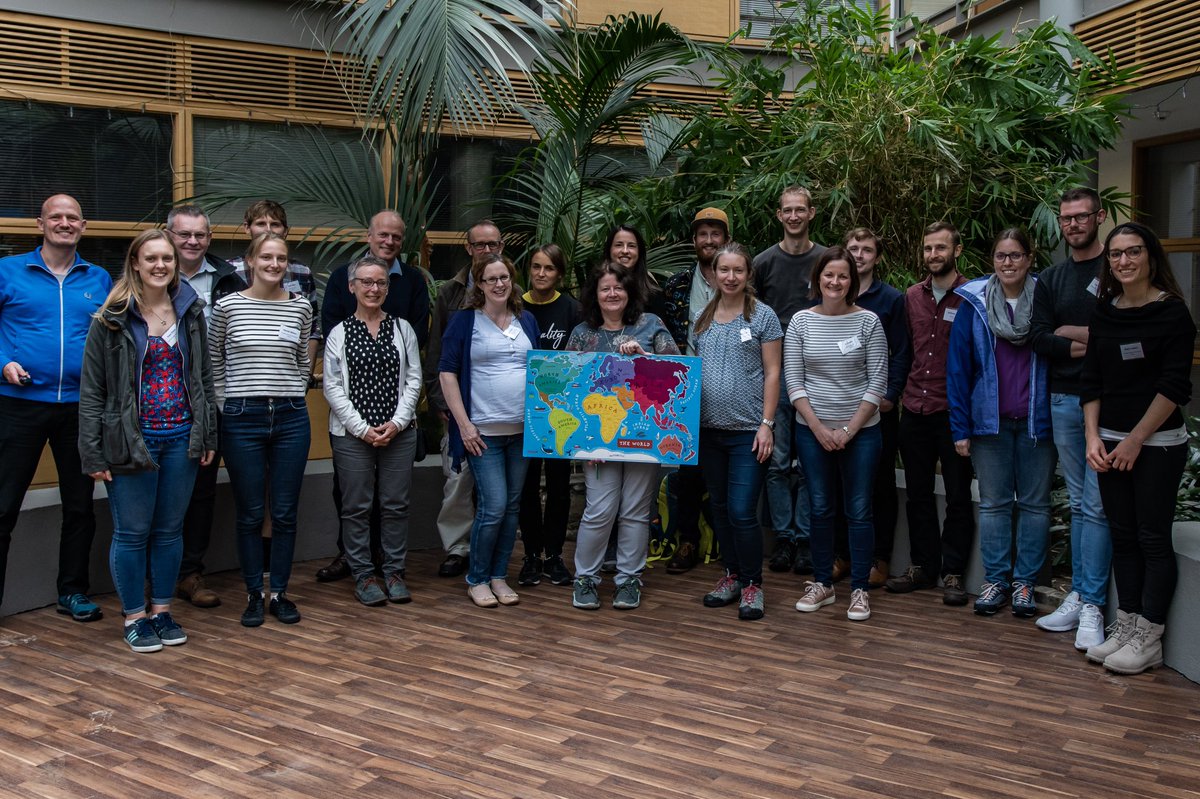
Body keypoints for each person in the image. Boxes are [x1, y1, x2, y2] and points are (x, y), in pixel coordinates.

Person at [78, 230, 217, 652]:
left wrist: (208, 431)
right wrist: (92, 451)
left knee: (170, 532)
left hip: (181, 439)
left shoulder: (190, 311)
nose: (160, 266)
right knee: (133, 532)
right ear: (135, 263)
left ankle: (162, 610)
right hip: (131, 441)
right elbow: (92, 391)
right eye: (151, 258)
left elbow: (204, 380)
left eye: (167, 259)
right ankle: (135, 617)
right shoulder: (112, 317)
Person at [1079, 223, 1195, 675]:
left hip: (1158, 445)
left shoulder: (1173, 314)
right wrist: (1093, 436)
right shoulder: (1105, 312)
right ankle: (1126, 625)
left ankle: (1150, 635)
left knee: (1151, 538)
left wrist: (1135, 439)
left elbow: (1174, 386)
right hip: (1107, 444)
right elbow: (1092, 379)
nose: (1123, 262)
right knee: (1122, 537)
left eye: (1133, 252)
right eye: (1115, 255)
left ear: (1150, 256)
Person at [0, 194, 111, 622]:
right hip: (18, 406)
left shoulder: (98, 278)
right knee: (3, 505)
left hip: (80, 411)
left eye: (72, 218)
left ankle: (72, 592)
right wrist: (3, 362)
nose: (64, 223)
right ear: (40, 224)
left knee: (80, 506)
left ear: (83, 227)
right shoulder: (9, 271)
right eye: (56, 217)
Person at [314, 209, 432, 584]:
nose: (373, 288)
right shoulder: (339, 324)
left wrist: (397, 422)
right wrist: (362, 428)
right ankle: (360, 569)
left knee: (395, 504)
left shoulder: (407, 303)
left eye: (379, 283)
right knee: (355, 504)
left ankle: (393, 571)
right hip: (353, 430)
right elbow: (332, 383)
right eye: (365, 282)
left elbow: (414, 374)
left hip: (398, 425)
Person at [947, 229, 1054, 618]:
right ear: (992, 260)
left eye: (1015, 256)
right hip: (988, 425)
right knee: (993, 505)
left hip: (1035, 423)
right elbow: (958, 369)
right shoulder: (974, 303)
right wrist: (959, 428)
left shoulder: (1046, 299)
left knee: (1035, 506)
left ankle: (1024, 583)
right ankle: (996, 581)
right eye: (1000, 256)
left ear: (1029, 258)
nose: (1007, 263)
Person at [210, 232, 313, 627]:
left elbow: (303, 359)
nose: (274, 264)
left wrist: (291, 390)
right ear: (250, 261)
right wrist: (226, 404)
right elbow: (215, 359)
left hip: (290, 415)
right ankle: (254, 593)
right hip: (242, 417)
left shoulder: (301, 307)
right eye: (266, 257)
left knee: (285, 513)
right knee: (251, 513)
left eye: (281, 258)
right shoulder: (227, 307)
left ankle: (280, 592)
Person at [567, 261, 680, 611]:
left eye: (619, 287)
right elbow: (571, 390)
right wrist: (585, 442)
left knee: (635, 511)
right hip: (597, 444)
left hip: (644, 440)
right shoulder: (582, 334)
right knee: (599, 510)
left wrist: (644, 357)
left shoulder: (651, 325)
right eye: (605, 288)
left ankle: (629, 579)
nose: (612, 293)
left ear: (629, 292)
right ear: (595, 295)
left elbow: (678, 373)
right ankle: (585, 577)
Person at [785, 247, 888, 621]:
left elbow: (877, 381)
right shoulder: (800, 322)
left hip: (861, 433)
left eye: (843, 276)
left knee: (859, 510)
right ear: (818, 278)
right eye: (829, 275)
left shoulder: (869, 322)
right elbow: (794, 383)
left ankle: (859, 589)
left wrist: (846, 430)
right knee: (820, 507)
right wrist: (820, 429)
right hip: (812, 431)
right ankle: (823, 583)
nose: (835, 282)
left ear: (853, 281)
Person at [1029, 187, 1112, 649]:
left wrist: (1076, 334)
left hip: (1108, 402)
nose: (1074, 225)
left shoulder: (1115, 266)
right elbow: (1040, 338)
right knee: (1080, 503)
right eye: (1067, 219)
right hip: (1063, 399)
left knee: (1097, 505)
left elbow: (1120, 334)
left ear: (1098, 217)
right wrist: (1087, 339)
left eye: (1082, 217)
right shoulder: (1053, 279)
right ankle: (1079, 595)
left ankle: (1094, 606)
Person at [439, 253, 539, 608]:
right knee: (493, 506)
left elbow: (541, 372)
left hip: (522, 433)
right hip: (482, 434)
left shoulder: (526, 321)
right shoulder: (465, 322)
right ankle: (477, 578)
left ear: (512, 281)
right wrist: (464, 426)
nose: (499, 284)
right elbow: (447, 373)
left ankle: (499, 576)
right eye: (491, 278)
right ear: (478, 285)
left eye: (504, 277)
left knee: (511, 507)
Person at [887, 222, 976, 606]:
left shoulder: (974, 296)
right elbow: (904, 350)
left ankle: (952, 572)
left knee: (958, 495)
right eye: (928, 249)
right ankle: (922, 566)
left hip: (954, 413)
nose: (933, 255)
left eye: (941, 248)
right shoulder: (911, 297)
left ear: (957, 250)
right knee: (918, 494)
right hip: (916, 408)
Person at [693, 243, 782, 620]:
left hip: (749, 431)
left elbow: (774, 372)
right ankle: (730, 576)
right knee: (720, 508)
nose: (730, 278)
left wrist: (767, 424)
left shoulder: (763, 317)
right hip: (709, 432)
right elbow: (689, 372)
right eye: (723, 270)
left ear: (748, 275)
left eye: (738, 271)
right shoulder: (700, 318)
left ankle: (751, 584)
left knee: (743, 511)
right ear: (713, 274)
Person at [165, 204, 247, 609]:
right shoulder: (154, 273)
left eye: (200, 234)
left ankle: (189, 574)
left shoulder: (229, 279)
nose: (192, 242)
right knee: (165, 488)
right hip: (164, 398)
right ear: (169, 236)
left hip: (219, 397)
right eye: (184, 234)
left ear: (209, 238)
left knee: (201, 489)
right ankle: (159, 574)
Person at [424, 219, 506, 578]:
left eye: (493, 244)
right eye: (480, 245)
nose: (487, 250)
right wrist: (440, 400)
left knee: (497, 489)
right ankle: (458, 548)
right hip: (459, 407)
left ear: (501, 247)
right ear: (468, 249)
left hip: (502, 412)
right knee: (457, 481)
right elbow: (437, 350)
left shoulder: (510, 290)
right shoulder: (450, 293)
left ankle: (490, 550)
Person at [830, 228, 910, 587]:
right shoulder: (828, 295)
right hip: (833, 408)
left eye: (866, 250)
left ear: (876, 257)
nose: (859, 254)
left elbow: (902, 351)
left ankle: (880, 558)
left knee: (878, 485)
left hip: (877, 410)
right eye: (853, 249)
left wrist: (890, 394)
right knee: (835, 484)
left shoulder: (890, 299)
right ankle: (842, 555)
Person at [754, 186, 825, 576]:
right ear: (779, 215)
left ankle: (805, 538)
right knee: (778, 462)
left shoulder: (825, 260)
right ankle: (783, 537)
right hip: (775, 376)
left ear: (811, 213)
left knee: (810, 463)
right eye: (788, 211)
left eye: (801, 210)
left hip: (819, 376)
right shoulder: (764, 262)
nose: (794, 216)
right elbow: (753, 317)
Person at [659, 207, 729, 574]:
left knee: (727, 468)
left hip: (733, 389)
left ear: (726, 239)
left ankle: (725, 543)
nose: (709, 240)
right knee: (686, 470)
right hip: (684, 389)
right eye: (702, 234)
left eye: (715, 233)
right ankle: (687, 541)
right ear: (694, 240)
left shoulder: (740, 281)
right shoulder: (677, 284)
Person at [517, 244, 581, 587]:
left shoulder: (571, 309)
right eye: (537, 267)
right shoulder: (516, 306)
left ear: (560, 274)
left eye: (549, 269)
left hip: (561, 412)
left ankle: (554, 556)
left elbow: (580, 358)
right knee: (527, 487)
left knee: (559, 486)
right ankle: (530, 555)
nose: (542, 274)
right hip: (523, 411)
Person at [228, 200, 321, 371]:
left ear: (285, 231)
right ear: (247, 228)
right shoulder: (229, 271)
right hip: (241, 373)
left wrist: (306, 376)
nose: (268, 229)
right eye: (261, 223)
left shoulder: (301, 272)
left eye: (275, 224)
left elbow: (312, 329)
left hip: (287, 372)